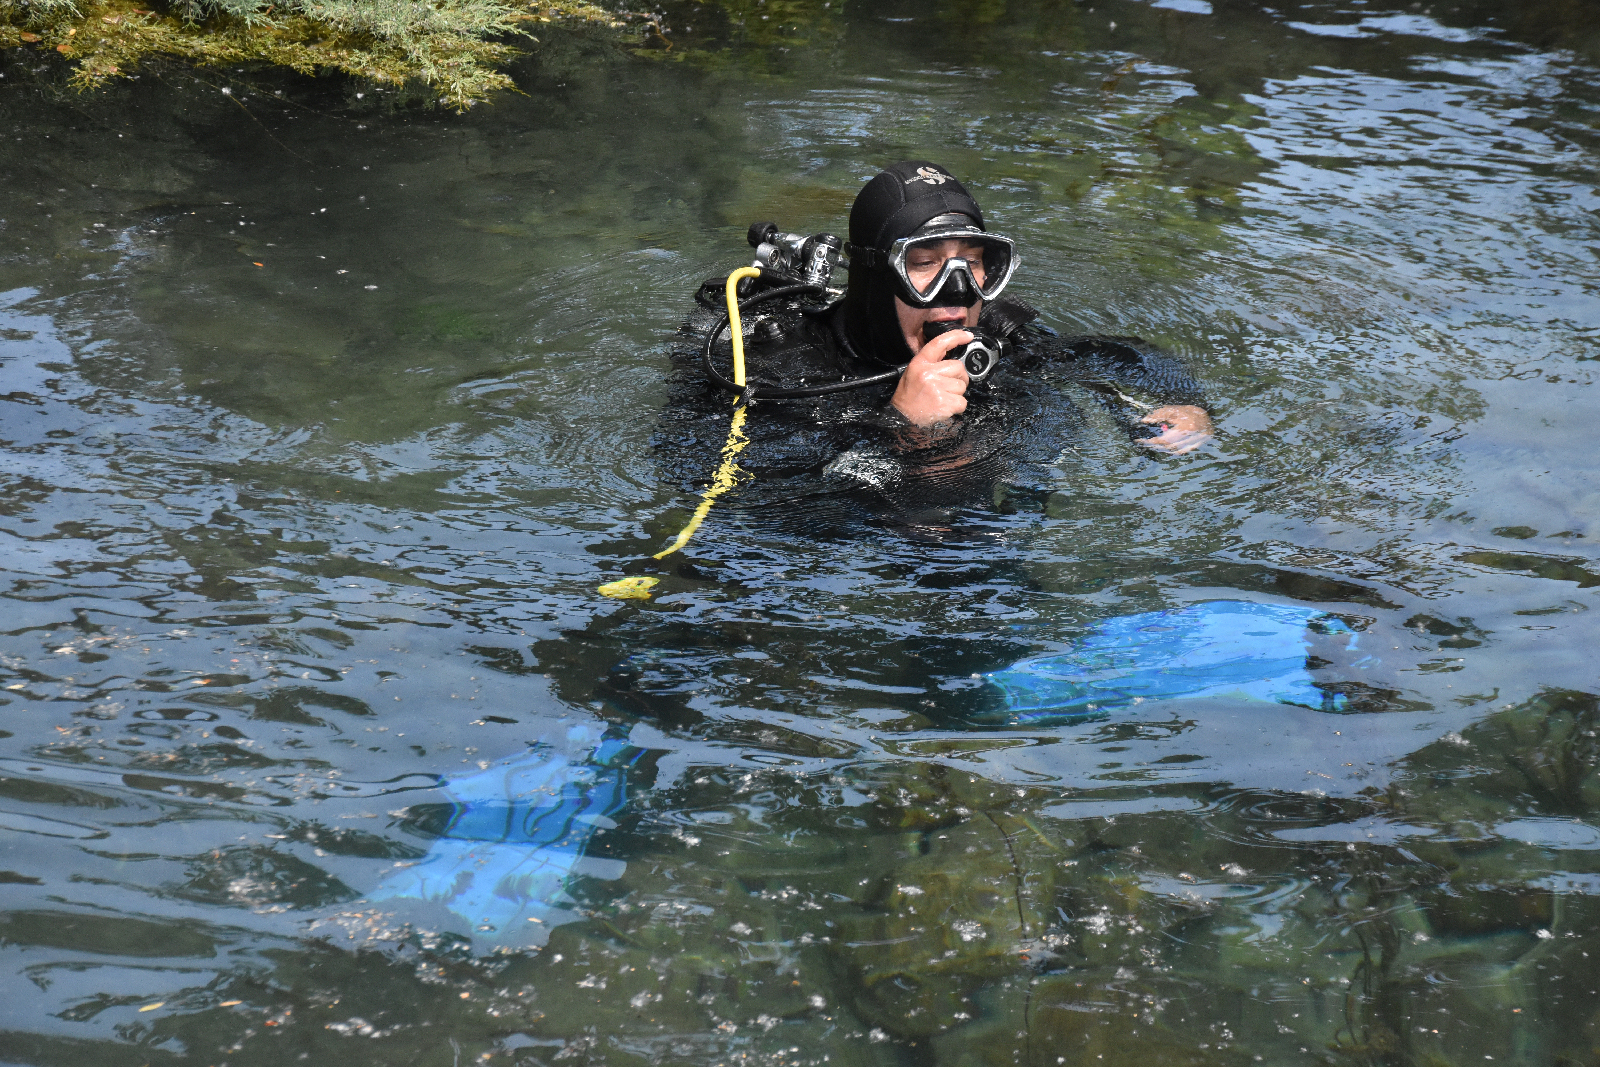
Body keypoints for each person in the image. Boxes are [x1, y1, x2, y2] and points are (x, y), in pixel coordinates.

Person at [657, 160, 1214, 516]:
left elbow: (1117, 357)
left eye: (975, 264)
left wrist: (1185, 403)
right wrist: (902, 429)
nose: (958, 290)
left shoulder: (992, 339)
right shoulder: (781, 364)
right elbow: (726, 492)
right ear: (875, 276)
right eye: (923, 264)